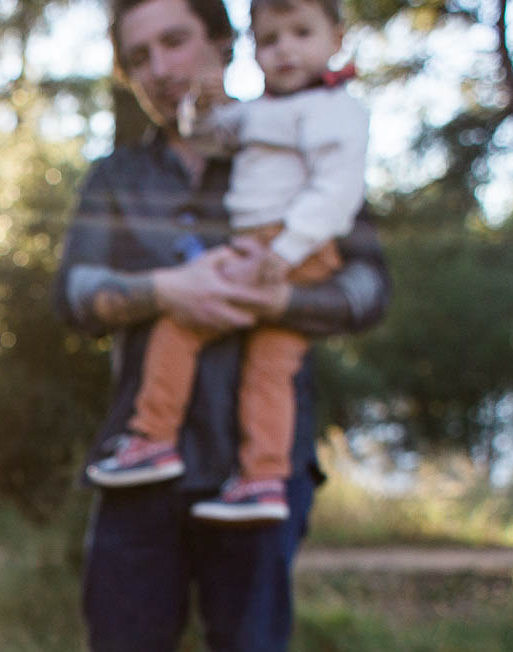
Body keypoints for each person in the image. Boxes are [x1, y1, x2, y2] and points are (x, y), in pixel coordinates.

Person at [30, 0, 390, 652]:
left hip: (256, 467)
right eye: (137, 53)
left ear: (224, 44)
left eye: (175, 39)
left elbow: (367, 285)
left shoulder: (299, 139)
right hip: (137, 463)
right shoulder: (116, 175)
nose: (158, 64)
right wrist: (167, 288)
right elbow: (73, 293)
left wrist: (267, 298)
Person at [85, 0, 368, 527]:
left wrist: (281, 267)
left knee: (185, 329)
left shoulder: (335, 113)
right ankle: (261, 476)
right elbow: (209, 133)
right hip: (143, 510)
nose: (285, 50)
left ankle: (153, 439)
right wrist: (202, 110)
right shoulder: (121, 173)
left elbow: (357, 250)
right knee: (267, 370)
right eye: (272, 40)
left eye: (174, 42)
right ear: (255, 48)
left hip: (280, 248)